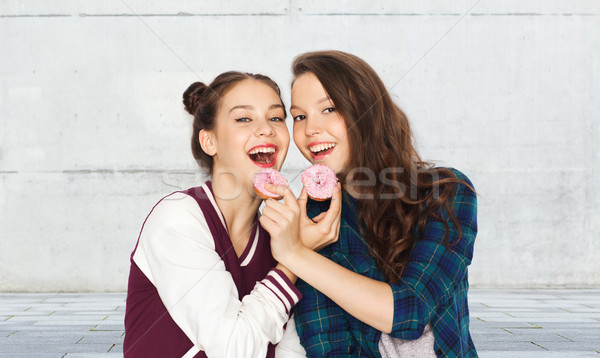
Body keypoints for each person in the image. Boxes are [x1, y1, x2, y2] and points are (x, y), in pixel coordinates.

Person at [264, 50, 478, 357]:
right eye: (299, 116)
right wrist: (297, 248)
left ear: (367, 109)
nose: (310, 129)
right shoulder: (315, 219)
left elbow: (411, 311)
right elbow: (328, 346)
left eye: (329, 109)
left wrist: (295, 253)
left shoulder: (445, 193)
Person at [123, 71, 307, 358]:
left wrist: (296, 250)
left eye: (275, 117)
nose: (267, 129)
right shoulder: (178, 218)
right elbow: (232, 349)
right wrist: (294, 261)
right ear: (210, 142)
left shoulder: (279, 239)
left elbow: (291, 351)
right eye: (244, 119)